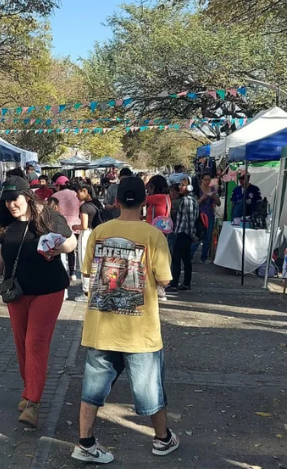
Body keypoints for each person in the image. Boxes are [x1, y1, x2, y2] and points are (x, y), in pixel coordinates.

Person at [72, 176, 177, 463]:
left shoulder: (99, 232)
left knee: (92, 388)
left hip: (101, 325)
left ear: (116, 201)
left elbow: (87, 272)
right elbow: (165, 279)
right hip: (139, 329)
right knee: (149, 387)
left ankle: (85, 442)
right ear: (145, 201)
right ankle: (161, 438)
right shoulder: (154, 235)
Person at [0, 176, 76, 428]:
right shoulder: (6, 222)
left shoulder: (47, 217)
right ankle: (29, 389)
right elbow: (2, 253)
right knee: (21, 343)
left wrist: (59, 247)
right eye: (7, 201)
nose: (11, 205)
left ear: (28, 197)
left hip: (48, 290)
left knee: (36, 342)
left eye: (16, 199)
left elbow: (72, 241)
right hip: (17, 291)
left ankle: (33, 402)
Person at [169, 179, 198, 292]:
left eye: (183, 185)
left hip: (183, 233)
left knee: (177, 259)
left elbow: (190, 219)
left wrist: (191, 234)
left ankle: (174, 284)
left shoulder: (187, 201)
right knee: (186, 259)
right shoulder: (191, 200)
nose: (180, 187)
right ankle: (186, 283)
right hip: (184, 232)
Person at [197, 173, 221, 262]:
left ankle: (204, 257)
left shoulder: (213, 190)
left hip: (210, 215)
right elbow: (195, 203)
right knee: (198, 235)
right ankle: (190, 255)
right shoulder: (198, 190)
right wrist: (203, 198)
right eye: (205, 180)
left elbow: (219, 203)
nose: (207, 181)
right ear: (202, 180)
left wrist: (214, 197)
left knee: (208, 236)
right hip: (199, 215)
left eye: (209, 180)